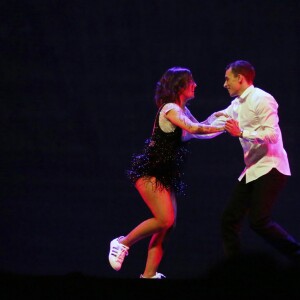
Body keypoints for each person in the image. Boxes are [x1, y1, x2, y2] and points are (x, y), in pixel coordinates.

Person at [108, 67, 225, 279]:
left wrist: (222, 120)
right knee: (164, 219)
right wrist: (221, 125)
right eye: (191, 81)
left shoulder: (182, 111)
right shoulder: (170, 108)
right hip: (151, 173)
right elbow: (196, 129)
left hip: (165, 175)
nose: (195, 85)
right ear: (180, 86)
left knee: (167, 227)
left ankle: (149, 275)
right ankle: (122, 242)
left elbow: (199, 130)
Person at [209, 60, 300, 262]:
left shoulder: (263, 99)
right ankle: (235, 270)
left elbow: (272, 135)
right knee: (229, 219)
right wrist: (188, 128)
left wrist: (241, 132)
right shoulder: (237, 104)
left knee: (259, 220)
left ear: (240, 78)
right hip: (253, 168)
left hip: (271, 166)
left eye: (227, 79)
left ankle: (297, 254)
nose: (225, 84)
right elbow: (217, 122)